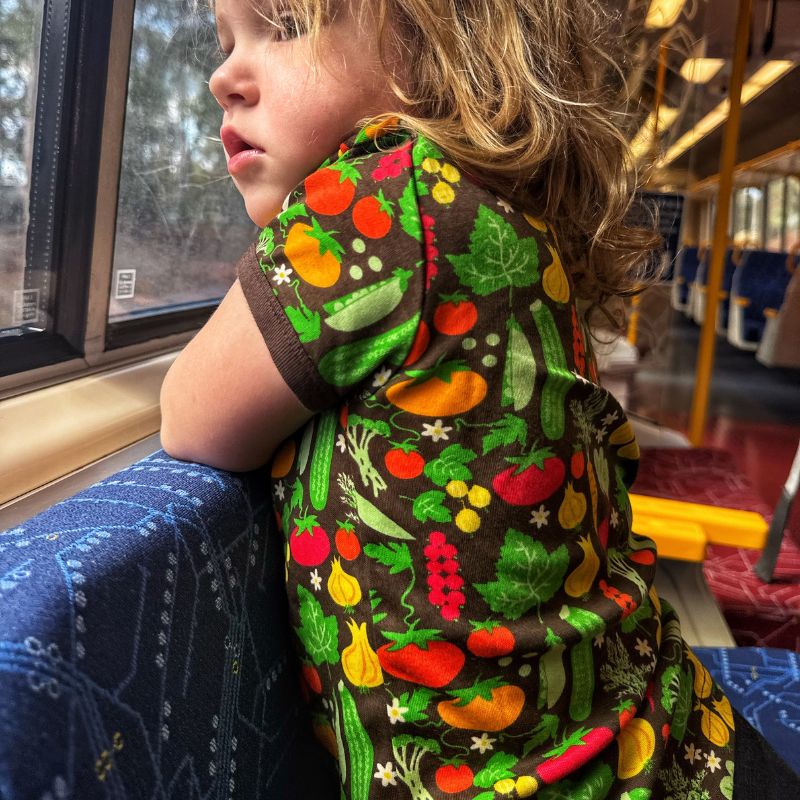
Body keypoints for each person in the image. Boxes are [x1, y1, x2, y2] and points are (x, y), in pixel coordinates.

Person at [160, 1, 800, 797]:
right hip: (657, 731)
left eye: (285, 24)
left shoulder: (381, 196)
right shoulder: (494, 215)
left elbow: (189, 415)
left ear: (434, 46)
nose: (225, 76)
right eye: (224, 43)